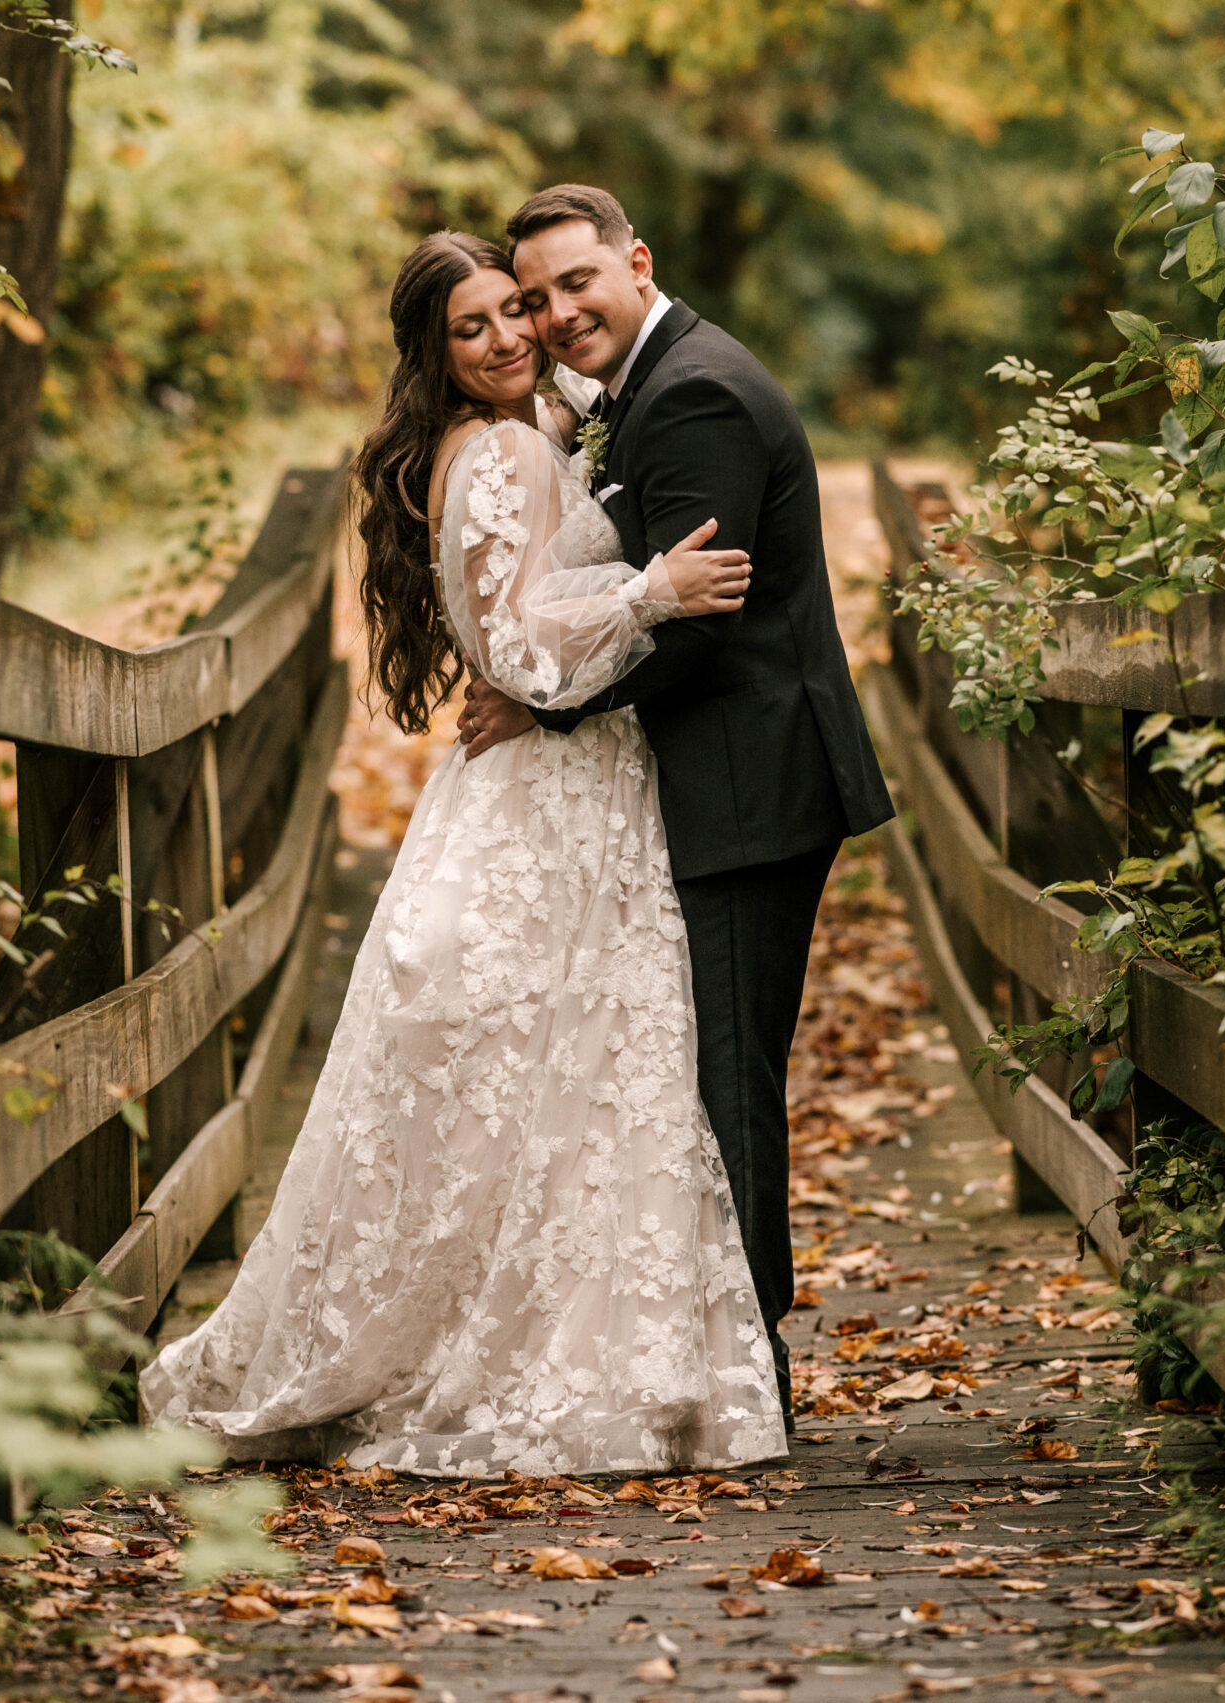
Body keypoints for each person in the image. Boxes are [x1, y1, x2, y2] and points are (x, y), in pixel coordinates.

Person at [138, 231, 788, 1476]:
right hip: (547, 800)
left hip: (570, 787)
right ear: (433, 356)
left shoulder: (533, 431)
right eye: (474, 326)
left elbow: (523, 630)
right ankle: (528, 1356)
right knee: (563, 1073)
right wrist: (648, 593)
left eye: (516, 310)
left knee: (578, 1079)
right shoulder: (493, 452)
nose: (507, 337)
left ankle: (599, 1350)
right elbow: (516, 649)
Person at [460, 184, 895, 1420]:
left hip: (747, 782)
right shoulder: (656, 383)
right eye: (532, 298)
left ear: (635, 263)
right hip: (729, 777)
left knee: (730, 1083)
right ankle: (731, 1357)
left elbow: (698, 634)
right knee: (716, 1070)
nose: (551, 315)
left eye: (573, 284)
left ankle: (752, 1371)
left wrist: (536, 706)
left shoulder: (695, 392)